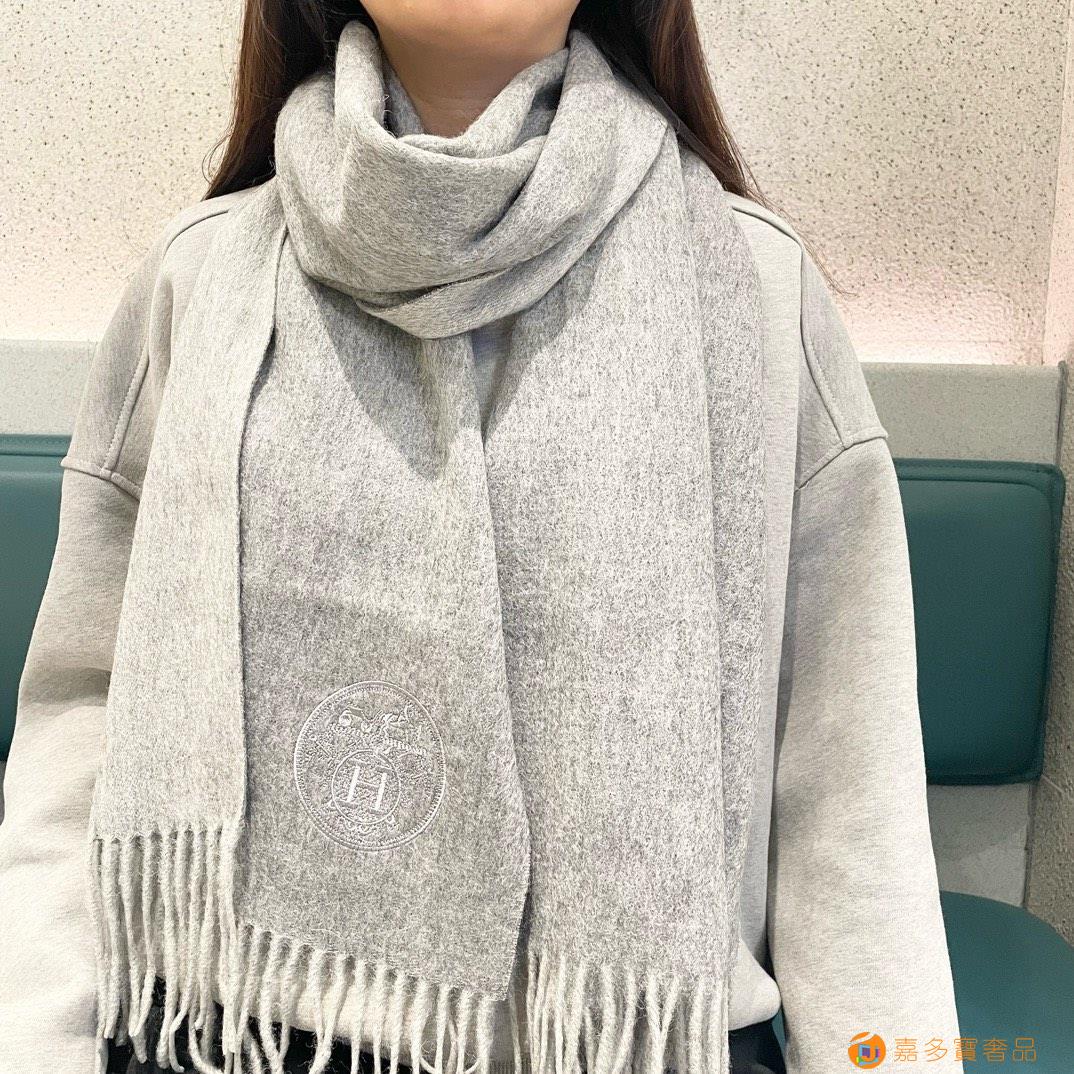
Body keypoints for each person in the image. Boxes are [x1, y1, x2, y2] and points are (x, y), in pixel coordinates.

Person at [0, 2, 964, 1073]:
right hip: (234, 1035)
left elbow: (847, 776)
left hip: (627, 1043)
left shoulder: (755, 285)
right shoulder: (203, 276)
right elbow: (84, 719)